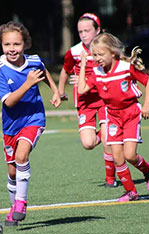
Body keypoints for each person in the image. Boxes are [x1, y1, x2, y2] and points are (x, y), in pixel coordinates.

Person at [0, 21, 61, 226]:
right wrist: (28, 83)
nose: (12, 49)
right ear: (1, 45)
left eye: (16, 44)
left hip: (34, 118)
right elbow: (10, 102)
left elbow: (44, 71)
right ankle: (14, 208)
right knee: (12, 171)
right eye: (7, 45)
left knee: (22, 155)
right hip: (11, 125)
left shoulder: (34, 60)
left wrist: (55, 91)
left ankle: (21, 203)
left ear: (25, 44)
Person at [77, 33, 149, 202]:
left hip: (131, 114)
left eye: (100, 54)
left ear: (113, 52)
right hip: (112, 116)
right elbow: (82, 89)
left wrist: (147, 104)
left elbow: (148, 80)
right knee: (117, 156)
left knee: (130, 155)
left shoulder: (125, 68)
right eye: (95, 55)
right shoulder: (97, 72)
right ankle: (131, 192)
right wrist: (84, 64)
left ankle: (148, 170)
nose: (97, 59)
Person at [58, 13, 117, 188]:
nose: (83, 34)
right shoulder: (74, 52)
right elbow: (65, 71)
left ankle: (110, 179)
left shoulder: (106, 50)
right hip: (84, 102)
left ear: (98, 30)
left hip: (105, 99)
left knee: (107, 139)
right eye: (80, 31)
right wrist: (60, 91)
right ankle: (106, 134)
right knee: (88, 143)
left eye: (87, 30)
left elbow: (113, 72)